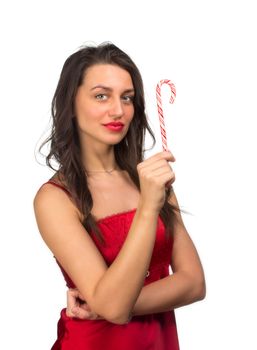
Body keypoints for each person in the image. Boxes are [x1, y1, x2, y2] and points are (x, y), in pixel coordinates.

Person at [33, 42, 206, 350]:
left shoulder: (151, 181)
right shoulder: (55, 199)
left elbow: (194, 283)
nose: (118, 110)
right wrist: (148, 209)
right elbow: (114, 308)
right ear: (71, 104)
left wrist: (107, 303)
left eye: (127, 98)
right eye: (102, 96)